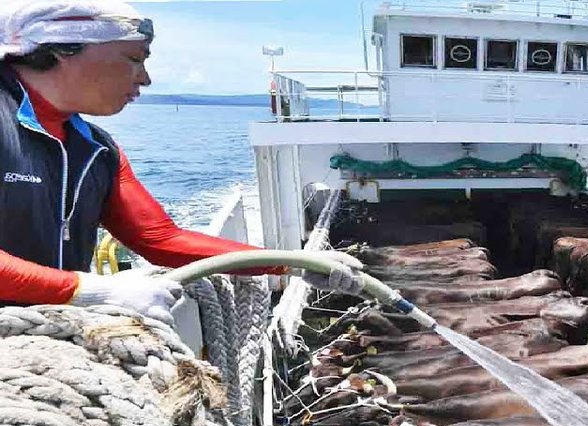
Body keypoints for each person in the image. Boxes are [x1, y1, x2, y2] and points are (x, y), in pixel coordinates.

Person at [0, 0, 363, 324]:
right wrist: (85, 290)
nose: (145, 78)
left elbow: (161, 239)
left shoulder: (97, 149)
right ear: (64, 48)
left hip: (43, 337)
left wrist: (295, 263)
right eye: (134, 59)